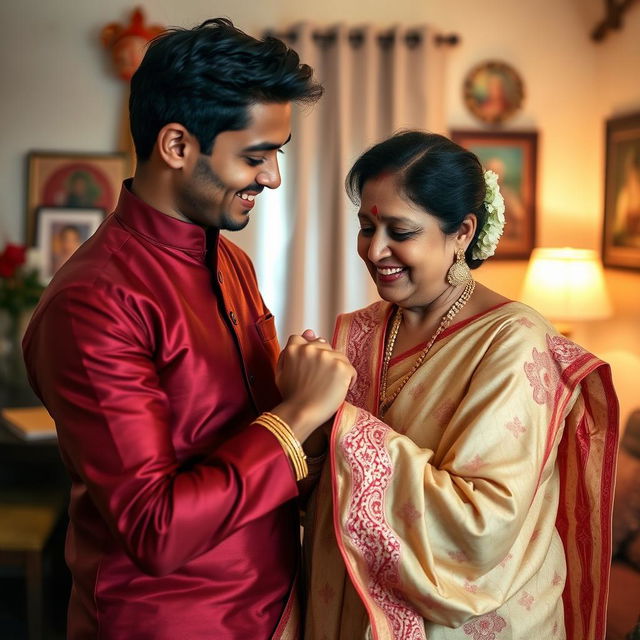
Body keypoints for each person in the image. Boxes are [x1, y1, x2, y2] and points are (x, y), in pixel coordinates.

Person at [23, 18, 355, 640]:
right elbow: (156, 529)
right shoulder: (93, 302)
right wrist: (301, 412)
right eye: (255, 157)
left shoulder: (231, 261)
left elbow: (245, 428)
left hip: (277, 612)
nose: (272, 178)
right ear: (177, 145)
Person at [303, 131, 619, 640]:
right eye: (366, 226)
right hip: (349, 612)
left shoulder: (515, 344)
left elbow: (480, 523)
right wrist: (301, 416)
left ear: (463, 233)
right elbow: (322, 492)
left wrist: (334, 419)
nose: (374, 248)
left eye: (400, 230)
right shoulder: (362, 330)